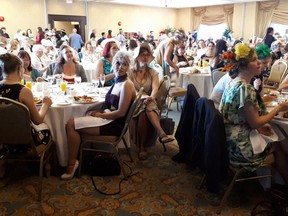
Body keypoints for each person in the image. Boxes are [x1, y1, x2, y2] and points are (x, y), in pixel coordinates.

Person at [60, 51, 136, 180]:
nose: (120, 67)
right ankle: (78, 159)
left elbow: (121, 113)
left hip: (114, 124)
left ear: (129, 67)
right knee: (76, 120)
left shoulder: (126, 85)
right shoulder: (118, 81)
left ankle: (72, 164)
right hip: (108, 118)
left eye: (124, 64)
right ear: (113, 64)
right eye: (117, 63)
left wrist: (100, 115)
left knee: (71, 125)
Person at [220, 43, 288, 184]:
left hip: (227, 138)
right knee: (279, 145)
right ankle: (281, 185)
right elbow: (255, 122)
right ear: (242, 66)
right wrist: (278, 108)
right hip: (240, 147)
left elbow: (242, 116)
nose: (259, 63)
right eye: (254, 60)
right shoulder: (245, 88)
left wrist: (258, 127)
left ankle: (273, 184)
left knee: (275, 135)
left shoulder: (233, 83)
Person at [0, 53, 52, 177]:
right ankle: (49, 167)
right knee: (48, 127)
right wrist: (46, 104)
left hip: (2, 143)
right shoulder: (23, 91)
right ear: (19, 68)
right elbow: (38, 120)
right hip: (26, 144)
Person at [129, 43, 174, 160]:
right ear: (137, 57)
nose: (145, 57)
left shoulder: (152, 72)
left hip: (148, 101)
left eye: (147, 55)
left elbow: (155, 89)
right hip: (134, 100)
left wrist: (152, 97)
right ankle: (161, 133)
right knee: (145, 104)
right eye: (142, 55)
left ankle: (142, 147)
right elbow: (131, 90)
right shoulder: (130, 72)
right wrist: (142, 96)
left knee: (145, 112)